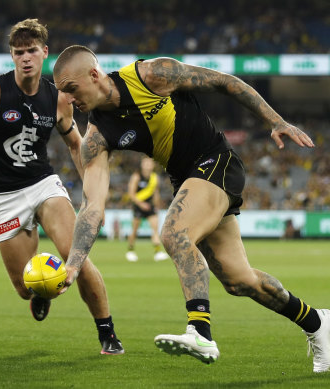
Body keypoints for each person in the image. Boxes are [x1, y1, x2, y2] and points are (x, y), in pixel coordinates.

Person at [53, 45, 328, 372]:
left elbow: (225, 81)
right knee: (240, 281)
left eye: (71, 89)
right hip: (189, 180)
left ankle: (200, 330)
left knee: (173, 232)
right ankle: (317, 322)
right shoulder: (96, 138)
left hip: (217, 162)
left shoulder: (150, 75)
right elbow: (92, 205)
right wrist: (73, 263)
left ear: (94, 75)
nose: (68, 100)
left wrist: (275, 120)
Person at [0, 19, 124, 355]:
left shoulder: (58, 98)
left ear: (45, 53)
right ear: (12, 56)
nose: (25, 58)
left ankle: (107, 332)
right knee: (27, 288)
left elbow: (75, 143)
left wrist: (92, 191)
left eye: (32, 51)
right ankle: (40, 293)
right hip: (3, 197)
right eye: (19, 52)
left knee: (75, 256)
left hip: (43, 184)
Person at [125, 157, 169, 262]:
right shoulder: (136, 176)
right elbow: (131, 194)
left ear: (153, 165)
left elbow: (156, 193)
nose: (148, 165)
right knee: (134, 231)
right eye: (146, 163)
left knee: (155, 229)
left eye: (150, 163)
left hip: (150, 207)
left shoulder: (155, 178)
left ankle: (158, 252)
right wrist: (141, 204)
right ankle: (130, 251)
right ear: (142, 165)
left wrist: (157, 205)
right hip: (138, 206)